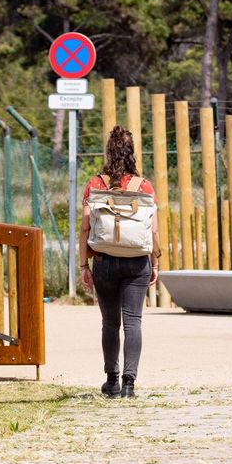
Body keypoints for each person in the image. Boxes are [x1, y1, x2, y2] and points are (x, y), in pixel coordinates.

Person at [79, 126, 161, 399]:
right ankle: (129, 384)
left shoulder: (95, 185)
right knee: (133, 322)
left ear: (109, 151)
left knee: (110, 324)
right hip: (137, 262)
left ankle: (111, 381)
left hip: (104, 261)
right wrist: (155, 263)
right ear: (132, 154)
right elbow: (153, 230)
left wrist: (83, 265)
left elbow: (84, 228)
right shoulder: (144, 186)